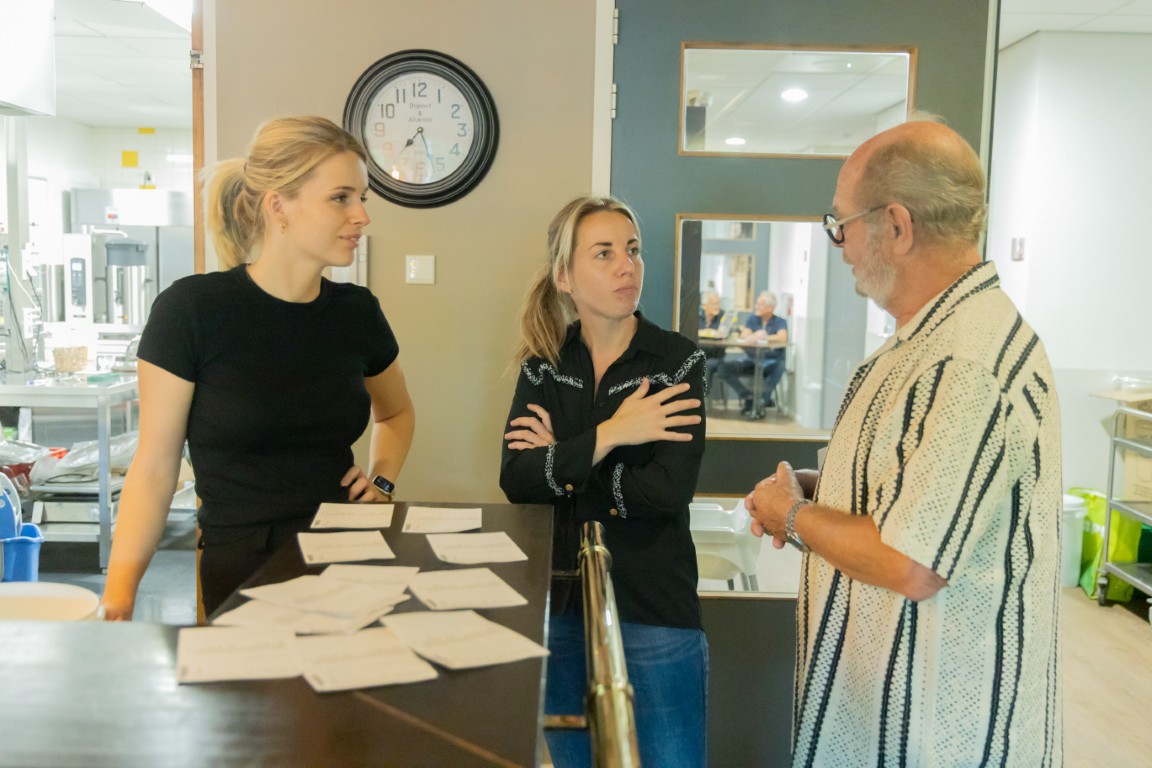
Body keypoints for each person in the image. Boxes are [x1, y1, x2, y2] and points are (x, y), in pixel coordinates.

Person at [745, 118, 1062, 766]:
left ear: (897, 226)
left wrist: (793, 516)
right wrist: (823, 489)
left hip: (936, 738)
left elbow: (911, 562)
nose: (839, 245)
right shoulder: (924, 340)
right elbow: (916, 492)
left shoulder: (966, 363)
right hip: (882, 719)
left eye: (841, 224)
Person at [101, 116, 416, 619]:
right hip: (243, 566)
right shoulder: (192, 311)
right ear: (278, 206)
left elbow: (396, 414)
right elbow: (155, 469)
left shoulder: (357, 313)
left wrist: (382, 481)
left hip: (347, 553)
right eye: (341, 198)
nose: (361, 215)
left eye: (362, 198)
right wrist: (119, 597)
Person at [499, 196, 708, 767]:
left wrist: (565, 462)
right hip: (561, 605)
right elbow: (517, 479)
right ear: (564, 276)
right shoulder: (543, 364)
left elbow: (666, 492)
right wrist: (614, 434)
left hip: (653, 605)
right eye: (605, 253)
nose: (627, 266)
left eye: (633, 251)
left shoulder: (677, 363)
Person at [717, 290, 787, 417]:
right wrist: (755, 335)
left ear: (770, 308)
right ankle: (748, 397)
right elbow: (745, 335)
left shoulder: (780, 322)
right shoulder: (753, 319)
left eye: (760, 304)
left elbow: (782, 337)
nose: (756, 306)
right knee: (724, 369)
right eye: (757, 303)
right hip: (750, 360)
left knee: (780, 366)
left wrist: (764, 337)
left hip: (770, 362)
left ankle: (762, 400)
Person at [698, 289, 727, 392]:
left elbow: (727, 333)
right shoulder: (695, 315)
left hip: (716, 356)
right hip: (698, 354)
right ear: (704, 305)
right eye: (713, 304)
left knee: (706, 365)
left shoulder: (723, 316)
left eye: (718, 303)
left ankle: (702, 395)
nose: (717, 306)